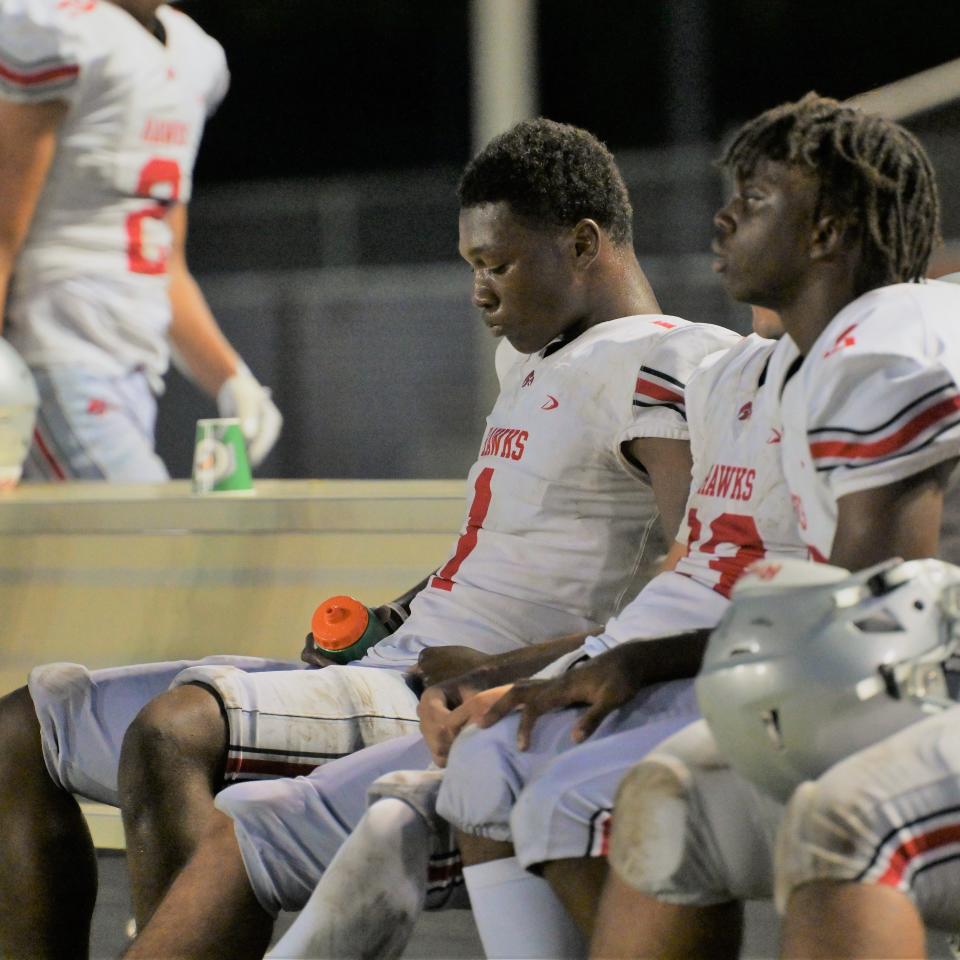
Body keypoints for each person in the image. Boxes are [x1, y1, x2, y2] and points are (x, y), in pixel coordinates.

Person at [0, 117, 736, 960]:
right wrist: (396, 613)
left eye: (497, 264)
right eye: (472, 268)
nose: (481, 291)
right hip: (404, 663)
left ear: (582, 243)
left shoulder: (666, 359)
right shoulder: (534, 360)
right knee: (25, 728)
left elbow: (700, 565)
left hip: (471, 697)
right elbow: (505, 546)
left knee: (174, 730)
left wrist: (517, 666)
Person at [259, 303, 808, 960]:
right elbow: (677, 584)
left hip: (763, 672)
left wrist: (629, 662)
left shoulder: (875, 356)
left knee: (557, 787)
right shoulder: (734, 371)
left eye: (756, 195)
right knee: (484, 755)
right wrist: (496, 671)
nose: (728, 216)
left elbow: (854, 591)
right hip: (643, 657)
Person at [589, 93, 960, 960]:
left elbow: (870, 645)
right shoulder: (813, 357)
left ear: (827, 232)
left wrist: (654, 661)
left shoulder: (886, 347)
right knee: (672, 802)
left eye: (755, 202)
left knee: (849, 821)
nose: (722, 220)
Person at [0, 0, 281, 482]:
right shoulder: (60, 31)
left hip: (135, 375)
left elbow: (164, 262)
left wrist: (231, 378)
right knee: (154, 543)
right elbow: (3, 233)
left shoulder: (195, 56)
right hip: (52, 360)